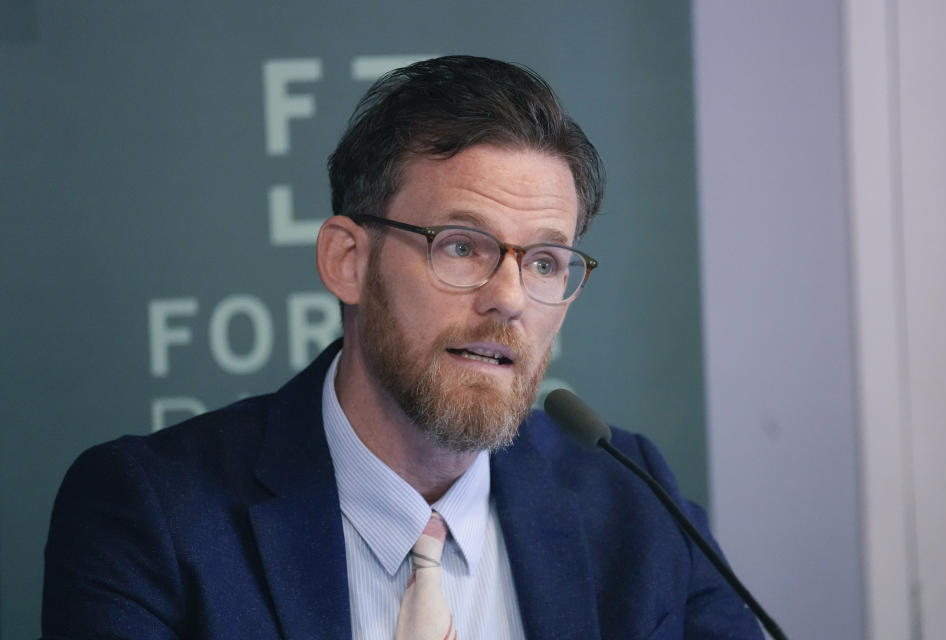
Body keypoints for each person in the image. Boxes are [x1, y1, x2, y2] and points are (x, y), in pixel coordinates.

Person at [42, 55, 762, 639]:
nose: (509, 297)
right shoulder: (154, 514)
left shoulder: (633, 502)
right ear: (347, 260)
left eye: (545, 262)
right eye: (460, 246)